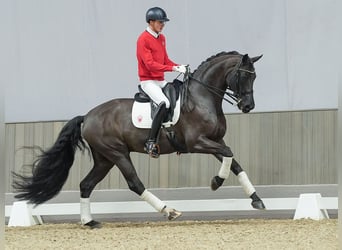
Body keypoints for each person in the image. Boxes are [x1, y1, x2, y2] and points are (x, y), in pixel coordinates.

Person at [136, 7, 186, 158]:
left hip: (160, 81)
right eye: (160, 22)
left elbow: (165, 60)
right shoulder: (143, 39)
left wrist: (179, 67)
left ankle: (177, 137)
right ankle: (150, 142)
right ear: (151, 22)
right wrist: (172, 68)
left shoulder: (161, 38)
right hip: (148, 81)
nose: (163, 24)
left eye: (163, 22)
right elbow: (150, 64)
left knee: (178, 99)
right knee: (164, 103)